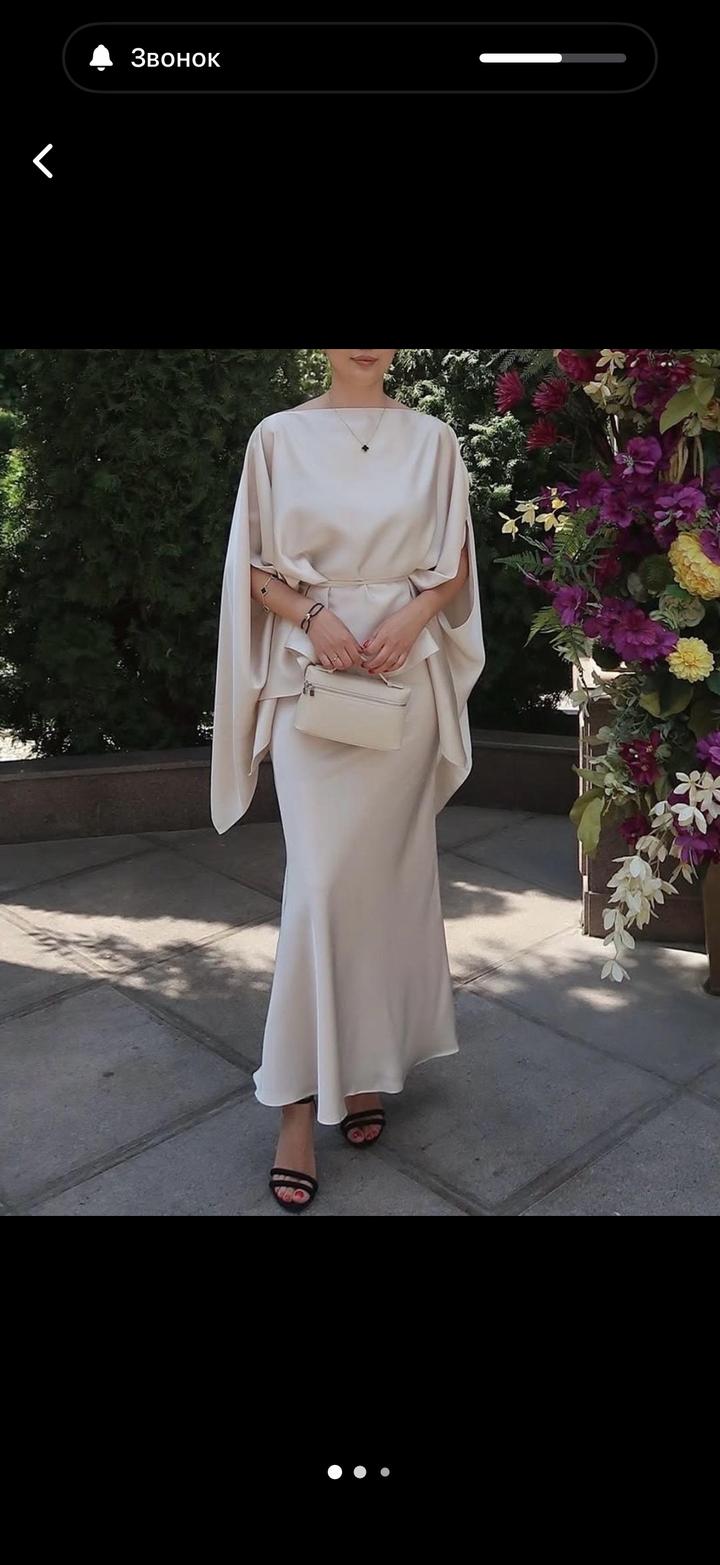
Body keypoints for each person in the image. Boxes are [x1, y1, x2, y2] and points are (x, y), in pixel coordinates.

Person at [210, 350, 486, 1211]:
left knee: (385, 886)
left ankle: (364, 1066)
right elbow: (252, 569)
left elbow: (455, 567)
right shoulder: (276, 437)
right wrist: (314, 614)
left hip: (404, 683)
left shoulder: (434, 439)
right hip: (314, 680)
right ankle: (296, 1105)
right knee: (320, 887)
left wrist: (412, 614)